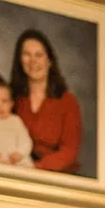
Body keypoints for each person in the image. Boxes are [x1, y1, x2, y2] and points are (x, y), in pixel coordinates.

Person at [9, 30, 83, 175]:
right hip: (19, 171)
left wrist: (36, 168)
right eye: (26, 54)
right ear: (20, 60)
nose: (33, 61)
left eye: (39, 55)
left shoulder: (67, 101)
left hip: (58, 174)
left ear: (49, 61)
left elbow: (69, 151)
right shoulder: (11, 98)